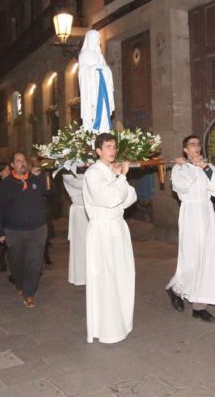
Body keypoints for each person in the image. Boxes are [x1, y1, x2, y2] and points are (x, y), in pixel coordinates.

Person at [83, 133, 137, 343]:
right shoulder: (92, 174)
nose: (113, 150)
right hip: (103, 231)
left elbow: (130, 197)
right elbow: (109, 198)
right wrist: (121, 178)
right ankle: (107, 329)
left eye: (114, 146)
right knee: (106, 279)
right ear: (98, 151)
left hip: (118, 228)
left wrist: (117, 178)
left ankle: (122, 323)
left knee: (123, 276)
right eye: (108, 146)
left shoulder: (111, 172)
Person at [166, 134, 215, 322]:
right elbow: (181, 186)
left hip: (206, 214)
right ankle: (176, 289)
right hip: (190, 213)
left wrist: (205, 167)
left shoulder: (208, 167)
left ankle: (200, 306)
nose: (196, 147)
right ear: (185, 149)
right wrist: (189, 167)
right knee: (191, 258)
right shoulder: (179, 168)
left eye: (198, 144)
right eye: (192, 145)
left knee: (208, 259)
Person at [0, 152, 48, 308]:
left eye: (24, 160)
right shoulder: (6, 184)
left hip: (37, 229)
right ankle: (19, 282)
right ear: (12, 165)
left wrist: (42, 176)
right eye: (18, 161)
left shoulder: (36, 178)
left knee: (35, 263)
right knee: (16, 262)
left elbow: (49, 192)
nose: (22, 163)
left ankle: (29, 293)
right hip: (14, 231)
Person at [78, 30, 114, 133]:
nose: (96, 41)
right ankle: (93, 131)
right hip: (91, 90)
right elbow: (82, 72)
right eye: (94, 38)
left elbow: (106, 68)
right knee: (93, 110)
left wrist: (105, 69)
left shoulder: (100, 55)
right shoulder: (84, 55)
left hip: (102, 86)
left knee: (103, 109)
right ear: (89, 39)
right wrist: (94, 68)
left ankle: (104, 130)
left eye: (97, 39)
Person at [62, 172, 87, 285]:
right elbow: (83, 184)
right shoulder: (67, 172)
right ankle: (82, 276)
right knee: (81, 246)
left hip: (94, 211)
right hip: (80, 212)